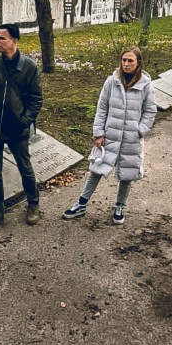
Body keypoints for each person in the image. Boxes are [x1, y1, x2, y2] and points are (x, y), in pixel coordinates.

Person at [62, 47, 157, 225]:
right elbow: (102, 108)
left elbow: (150, 110)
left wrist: (140, 130)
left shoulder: (145, 85)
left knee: (127, 174)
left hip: (131, 138)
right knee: (96, 169)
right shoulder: (111, 82)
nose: (126, 64)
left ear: (138, 63)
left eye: (130, 61)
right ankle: (81, 204)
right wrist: (98, 133)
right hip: (110, 135)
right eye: (124, 60)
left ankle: (120, 206)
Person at [0, 23, 43, 229]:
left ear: (14, 40)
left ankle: (33, 204)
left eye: (2, 38)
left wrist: (24, 121)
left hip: (17, 129)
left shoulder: (29, 67)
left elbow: (36, 100)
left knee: (25, 168)